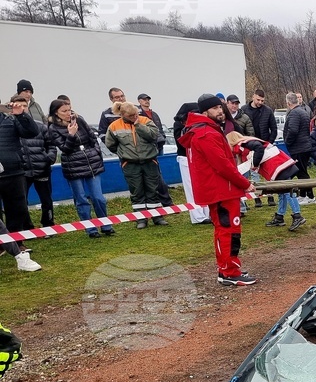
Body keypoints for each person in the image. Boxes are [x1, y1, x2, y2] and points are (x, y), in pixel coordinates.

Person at [178, 94, 256, 286]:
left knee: (226, 229)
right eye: (215, 109)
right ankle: (229, 272)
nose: (220, 111)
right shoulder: (206, 134)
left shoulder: (205, 130)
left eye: (220, 108)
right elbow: (223, 166)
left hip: (221, 190)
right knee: (228, 230)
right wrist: (245, 183)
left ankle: (228, 268)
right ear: (205, 112)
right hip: (222, 190)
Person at [46, 99, 114, 238]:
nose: (68, 113)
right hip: (73, 166)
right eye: (64, 111)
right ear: (56, 113)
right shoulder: (53, 128)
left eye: (69, 109)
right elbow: (64, 148)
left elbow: (92, 138)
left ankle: (106, 225)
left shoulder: (79, 120)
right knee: (81, 199)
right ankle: (91, 229)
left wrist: (95, 152)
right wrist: (71, 135)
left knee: (98, 197)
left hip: (91, 162)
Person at [227, 132, 305, 232]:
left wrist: (255, 163)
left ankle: (297, 215)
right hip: (279, 165)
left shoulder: (243, 144)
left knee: (286, 190)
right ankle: (280, 216)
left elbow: (259, 148)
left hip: (277, 166)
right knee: (282, 192)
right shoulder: (244, 145)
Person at [105, 101, 167, 228]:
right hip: (130, 164)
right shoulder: (114, 126)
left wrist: (139, 126)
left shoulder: (145, 121)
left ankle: (157, 217)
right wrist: (123, 154)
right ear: (122, 115)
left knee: (152, 189)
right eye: (131, 116)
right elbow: (110, 144)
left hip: (150, 161)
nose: (134, 117)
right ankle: (141, 219)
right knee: (136, 191)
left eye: (135, 114)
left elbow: (154, 135)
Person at [0, 95, 40, 236]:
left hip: (13, 172)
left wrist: (22, 115)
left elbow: (32, 132)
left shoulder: (11, 119)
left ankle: (17, 241)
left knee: (18, 209)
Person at [20, 103, 55, 229]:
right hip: (23, 172)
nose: (22, 108)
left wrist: (49, 158)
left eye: (24, 105)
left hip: (42, 169)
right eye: (19, 106)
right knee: (22, 201)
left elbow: (51, 144)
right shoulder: (12, 127)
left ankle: (48, 224)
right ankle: (27, 228)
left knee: (46, 200)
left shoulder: (40, 126)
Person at [283, 92, 315, 203]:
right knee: (301, 171)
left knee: (301, 172)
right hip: (304, 146)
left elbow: (293, 130)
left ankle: (310, 196)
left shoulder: (294, 113)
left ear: (288, 103)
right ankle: (303, 194)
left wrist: (287, 142)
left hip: (299, 147)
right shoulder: (303, 111)